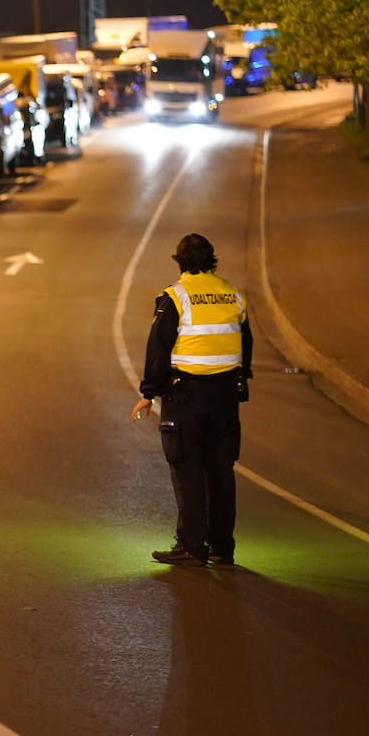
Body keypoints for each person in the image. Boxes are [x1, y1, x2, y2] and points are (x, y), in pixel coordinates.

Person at [130, 233, 253, 567]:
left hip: (186, 395)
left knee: (187, 467)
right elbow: (246, 343)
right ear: (212, 260)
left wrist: (149, 393)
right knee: (221, 470)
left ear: (180, 262)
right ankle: (222, 547)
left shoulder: (176, 296)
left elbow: (158, 348)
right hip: (225, 395)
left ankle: (192, 545)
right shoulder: (233, 295)